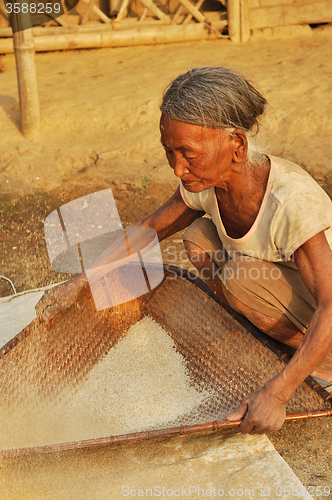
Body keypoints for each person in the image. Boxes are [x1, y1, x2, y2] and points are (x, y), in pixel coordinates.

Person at [36, 66, 332, 435]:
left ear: (236, 146)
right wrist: (81, 282)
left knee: (240, 278)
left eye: (188, 154)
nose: (178, 168)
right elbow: (148, 231)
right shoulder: (206, 182)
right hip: (283, 291)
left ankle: (323, 367)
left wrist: (277, 393)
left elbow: (330, 304)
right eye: (169, 152)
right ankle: (260, 338)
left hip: (323, 310)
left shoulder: (291, 202)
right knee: (199, 237)